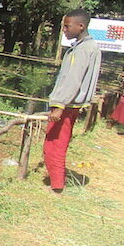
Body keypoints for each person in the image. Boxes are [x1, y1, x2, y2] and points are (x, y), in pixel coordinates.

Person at [44, 10, 102, 193]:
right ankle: (57, 181)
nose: (64, 30)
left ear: (80, 26)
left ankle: (57, 186)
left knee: (55, 145)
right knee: (55, 143)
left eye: (67, 26)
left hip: (67, 105)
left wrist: (60, 105)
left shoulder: (84, 50)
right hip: (70, 104)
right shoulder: (86, 47)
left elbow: (73, 80)